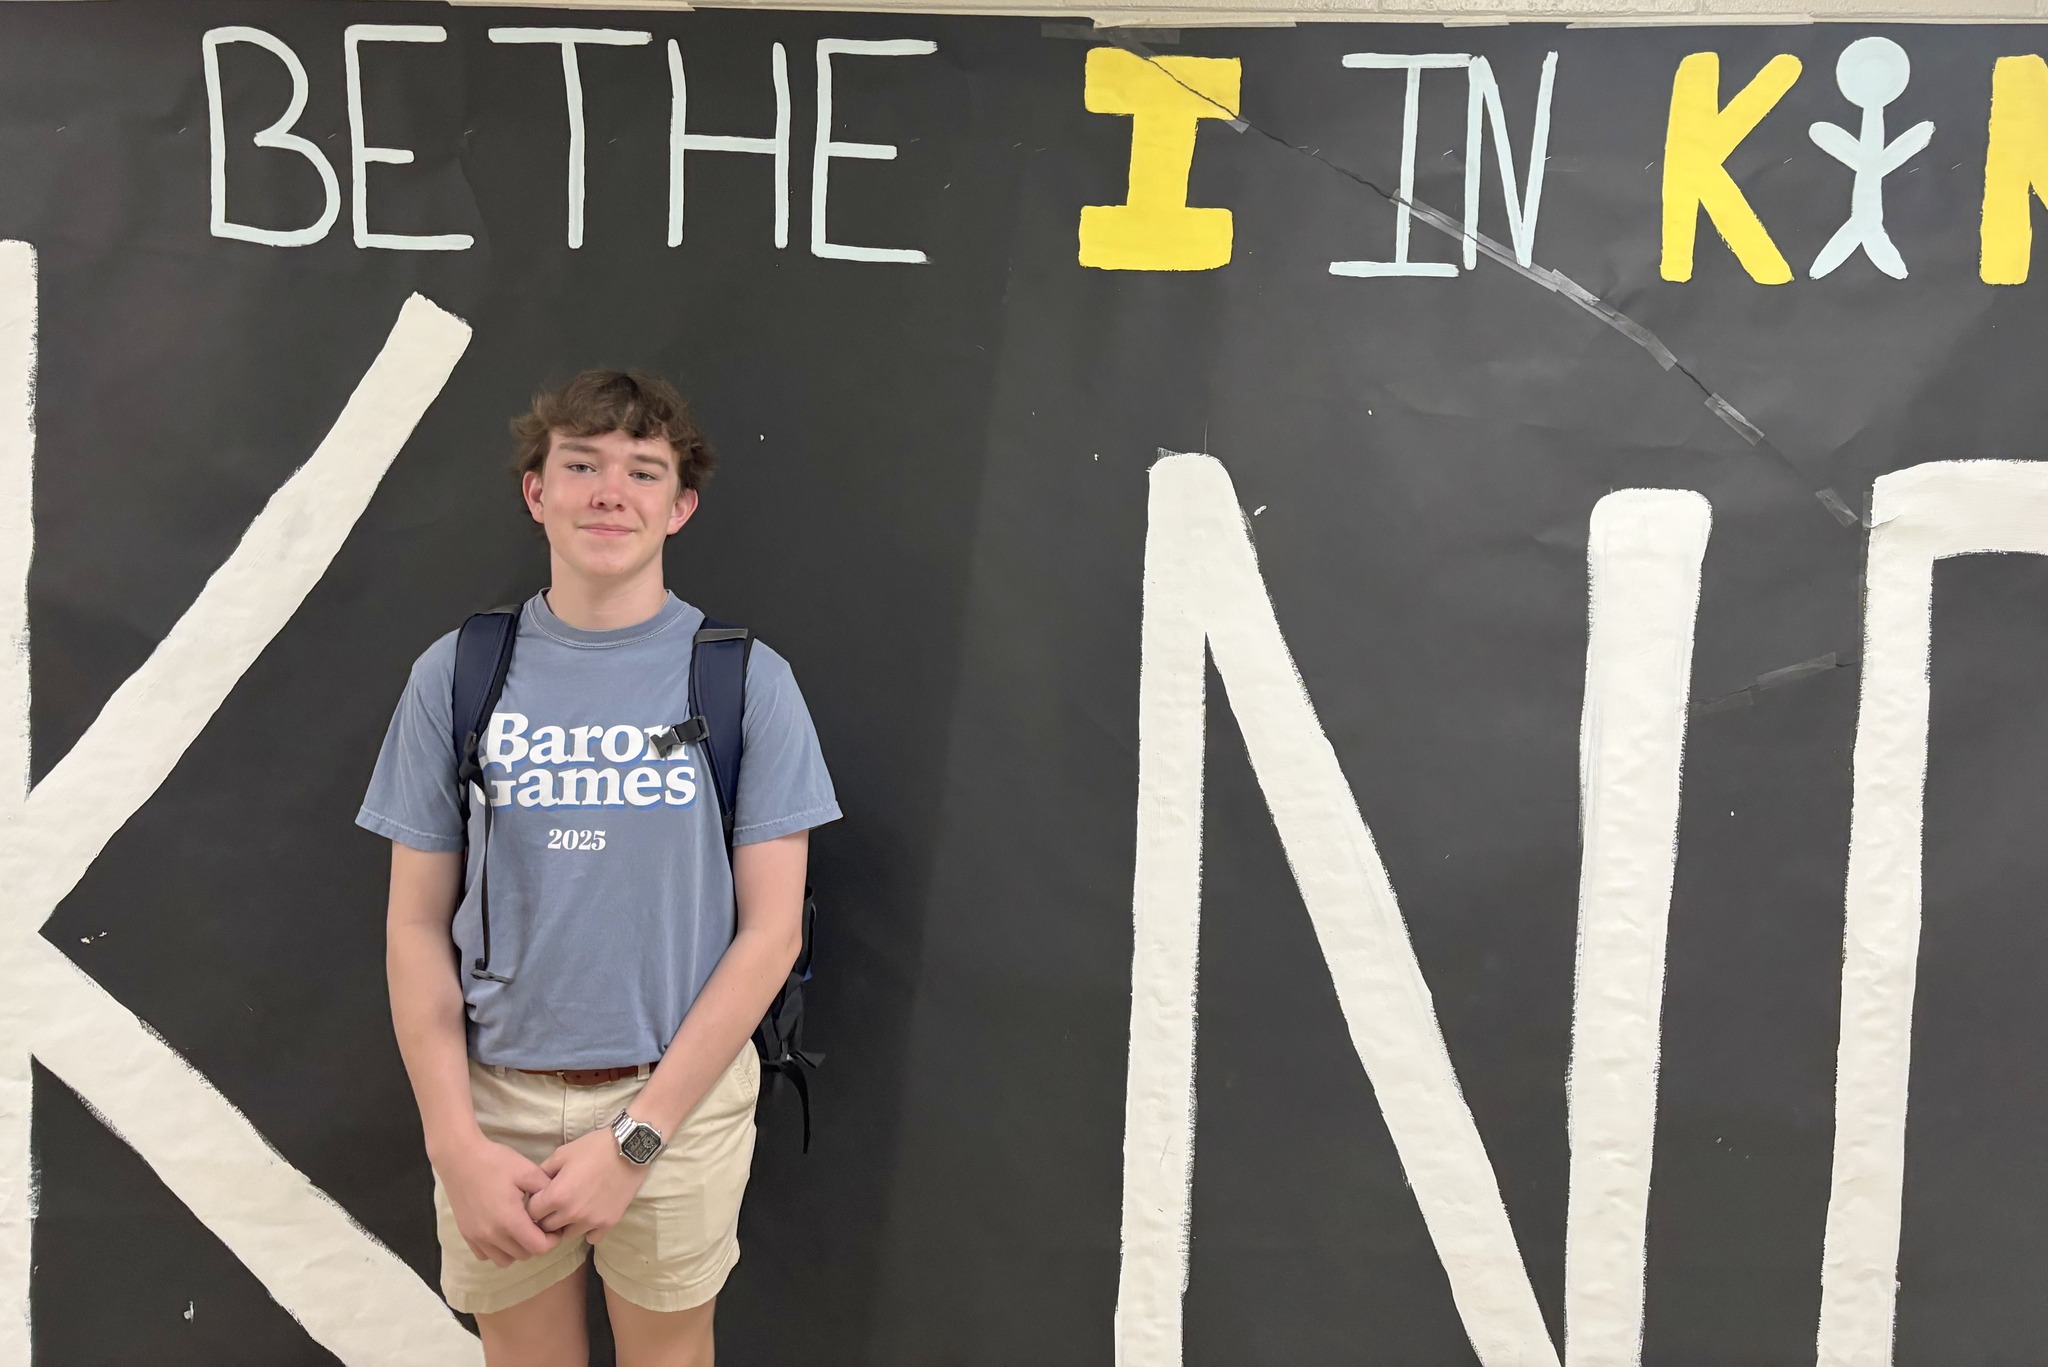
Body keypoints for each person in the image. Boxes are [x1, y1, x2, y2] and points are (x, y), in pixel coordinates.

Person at [358, 369, 839, 1367]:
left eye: (642, 471)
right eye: (581, 465)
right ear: (536, 492)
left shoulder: (744, 679)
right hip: (494, 1104)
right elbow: (413, 925)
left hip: (677, 1101)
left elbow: (770, 933)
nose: (610, 493)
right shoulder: (458, 672)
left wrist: (636, 1139)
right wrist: (455, 1142)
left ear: (680, 506)